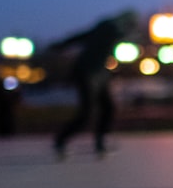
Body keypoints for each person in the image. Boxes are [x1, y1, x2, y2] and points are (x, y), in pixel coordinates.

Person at [52, 9, 139, 159]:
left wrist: (62, 44)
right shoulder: (110, 27)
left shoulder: (108, 28)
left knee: (109, 107)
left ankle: (100, 142)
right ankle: (61, 140)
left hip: (100, 73)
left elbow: (82, 36)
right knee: (87, 113)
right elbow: (91, 36)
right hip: (88, 73)